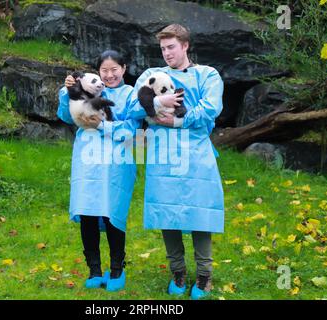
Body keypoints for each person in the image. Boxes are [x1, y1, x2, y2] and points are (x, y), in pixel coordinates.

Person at [128, 24, 225, 300]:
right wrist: (160, 103)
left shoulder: (208, 75)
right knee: (167, 209)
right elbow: (132, 107)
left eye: (171, 47)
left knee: (200, 210)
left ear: (185, 45)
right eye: (163, 49)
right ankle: (178, 271)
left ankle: (204, 276)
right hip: (163, 152)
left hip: (196, 150)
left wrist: (180, 119)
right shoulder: (152, 76)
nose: (167, 53)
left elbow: (211, 108)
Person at [57, 50, 141, 292]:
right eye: (104, 70)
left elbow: (132, 129)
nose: (109, 74)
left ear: (124, 69)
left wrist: (103, 125)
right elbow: (66, 116)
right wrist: (68, 92)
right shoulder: (87, 89)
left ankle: (117, 269)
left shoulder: (130, 94)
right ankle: (94, 270)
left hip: (117, 159)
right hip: (87, 157)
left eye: (115, 69)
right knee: (88, 211)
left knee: (111, 211)